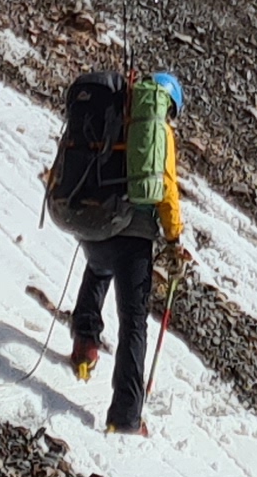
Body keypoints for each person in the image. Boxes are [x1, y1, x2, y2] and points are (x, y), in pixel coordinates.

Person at [43, 66, 187, 434]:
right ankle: (125, 417)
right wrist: (174, 238)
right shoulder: (157, 130)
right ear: (169, 106)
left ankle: (84, 347)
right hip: (133, 237)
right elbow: (166, 189)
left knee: (97, 270)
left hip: (94, 218)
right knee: (133, 323)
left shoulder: (113, 117)